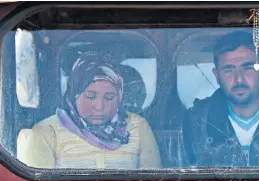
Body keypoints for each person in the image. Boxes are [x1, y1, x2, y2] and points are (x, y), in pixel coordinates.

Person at [183, 31, 259, 167]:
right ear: (217, 75)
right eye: (228, 70)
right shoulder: (197, 120)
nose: (239, 79)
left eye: (248, 68)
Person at [23, 51, 160, 169]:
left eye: (109, 97)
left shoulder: (138, 127)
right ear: (74, 94)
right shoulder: (46, 132)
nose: (99, 106)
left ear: (119, 97)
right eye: (90, 96)